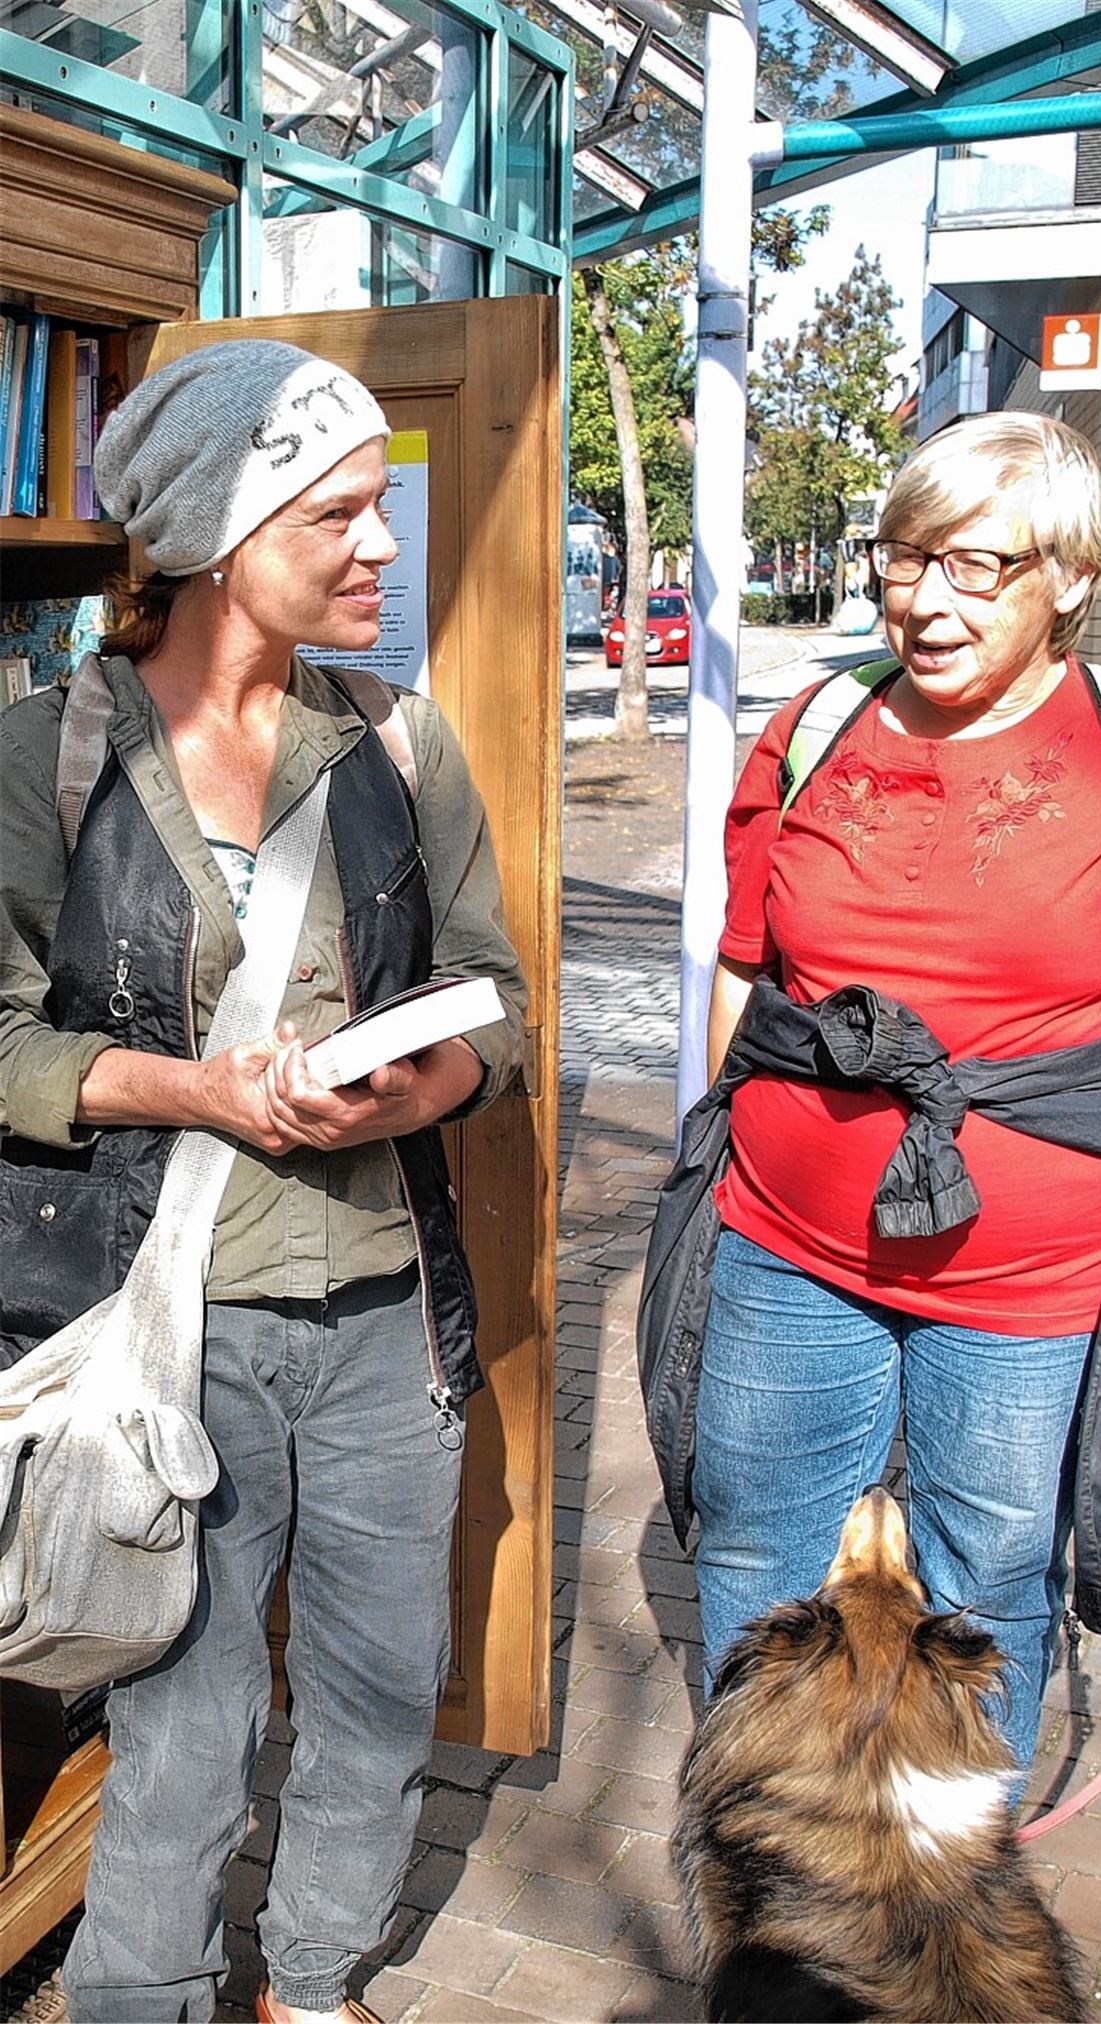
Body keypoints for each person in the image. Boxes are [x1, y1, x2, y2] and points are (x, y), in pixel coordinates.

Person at [0, 340, 527, 2022]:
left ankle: (313, 1984)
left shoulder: (401, 742)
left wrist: (419, 1083)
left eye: (380, 511)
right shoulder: (47, 755)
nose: (384, 545)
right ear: (226, 533)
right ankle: (139, 1999)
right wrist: (194, 1089)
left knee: (382, 1694)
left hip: (385, 1319)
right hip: (164, 1326)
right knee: (180, 1713)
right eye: (343, 514)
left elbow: (494, 1000)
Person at [695, 411, 1101, 1773]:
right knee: (760, 1566)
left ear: (1068, 575)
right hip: (788, 1246)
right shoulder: (816, 723)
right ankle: (763, 1882)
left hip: (1031, 1285)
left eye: (973, 565)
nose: (923, 598)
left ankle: (945, 1891)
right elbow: (741, 974)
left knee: (988, 1583)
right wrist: (709, 1164)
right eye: (901, 557)